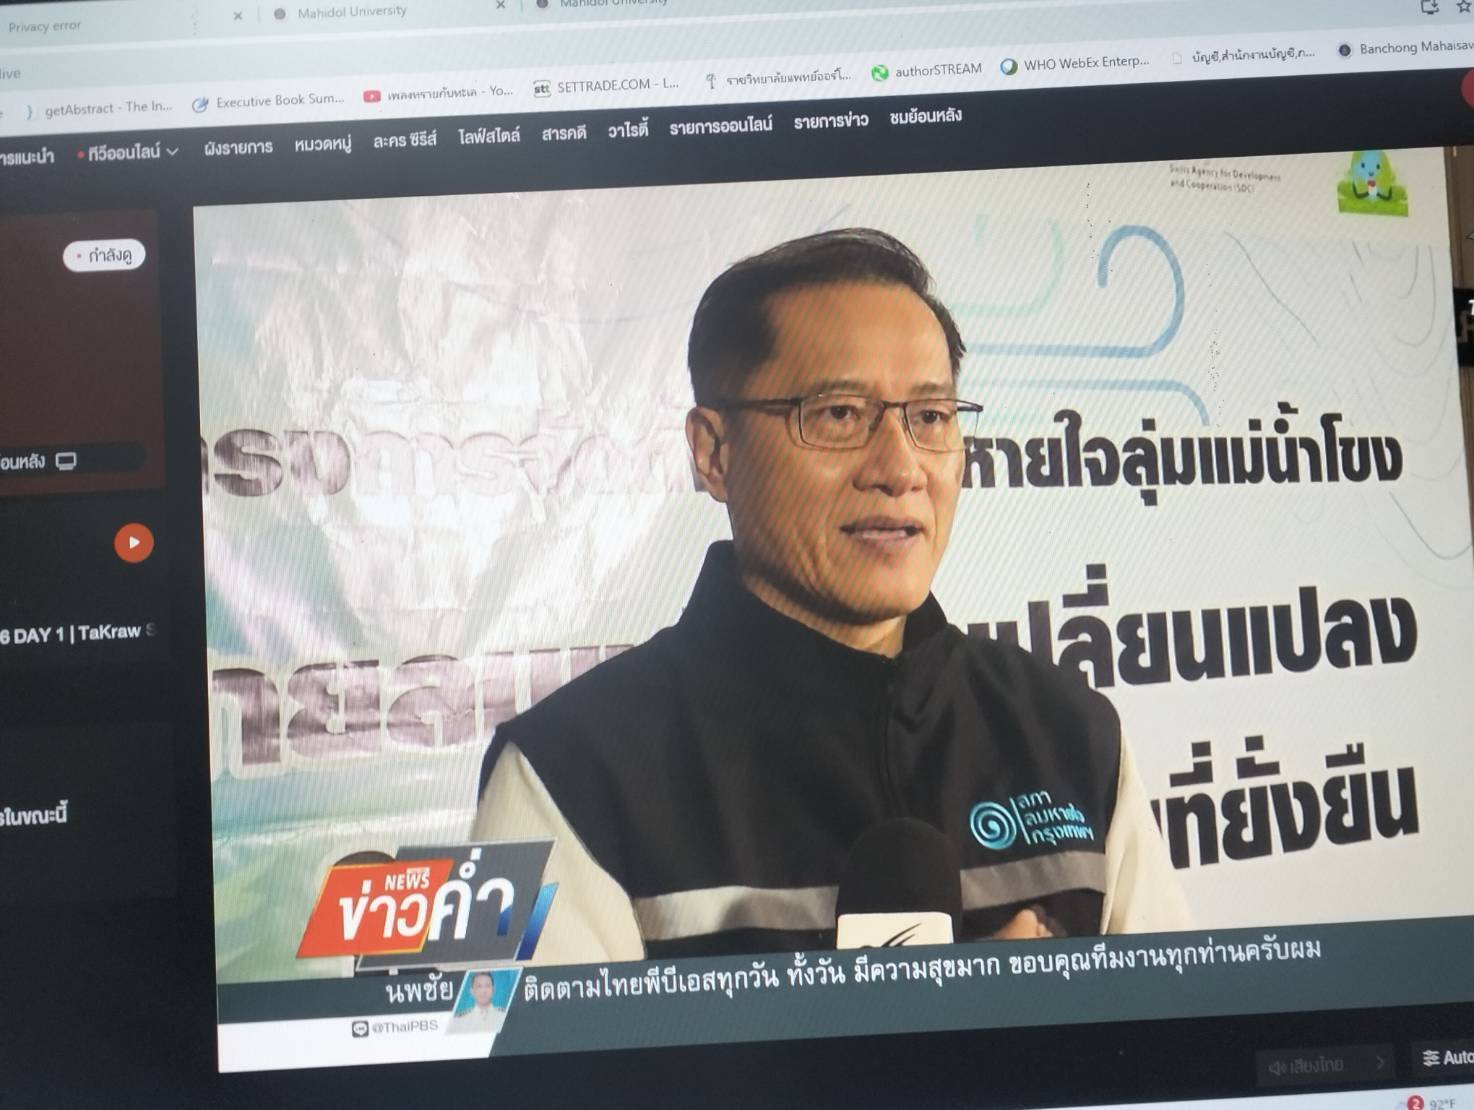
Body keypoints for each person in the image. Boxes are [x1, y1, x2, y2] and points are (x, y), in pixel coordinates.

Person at [471, 227, 1190, 964]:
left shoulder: (1072, 733)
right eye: (840, 415)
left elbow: (1185, 1023)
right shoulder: (555, 773)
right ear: (714, 452)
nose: (901, 468)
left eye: (931, 418)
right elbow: (486, 1037)